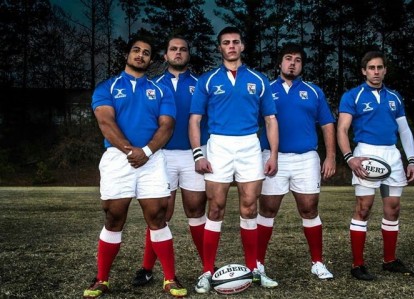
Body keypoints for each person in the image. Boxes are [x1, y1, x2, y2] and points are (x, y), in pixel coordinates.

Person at [83, 35, 187, 298]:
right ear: (128, 55)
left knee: (158, 217)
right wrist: (132, 151)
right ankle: (102, 279)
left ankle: (170, 279)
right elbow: (106, 123)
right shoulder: (106, 87)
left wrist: (148, 151)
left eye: (146, 52)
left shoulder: (160, 90)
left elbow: (167, 125)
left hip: (152, 158)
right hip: (119, 158)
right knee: (114, 217)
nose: (140, 55)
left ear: (152, 59)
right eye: (136, 50)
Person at [189, 26, 279, 294]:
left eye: (235, 42)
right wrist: (198, 153)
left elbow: (270, 120)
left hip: (250, 145)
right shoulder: (207, 80)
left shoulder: (259, 79)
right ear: (220, 48)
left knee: (250, 208)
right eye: (226, 42)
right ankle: (207, 271)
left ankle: (254, 269)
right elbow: (194, 120)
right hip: (218, 145)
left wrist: (272, 153)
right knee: (215, 208)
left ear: (242, 46)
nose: (231, 46)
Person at [132, 35, 209, 287]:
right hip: (162, 156)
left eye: (183, 49)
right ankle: (146, 268)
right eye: (173, 49)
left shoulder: (200, 84)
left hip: (192, 154)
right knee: (160, 213)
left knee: (196, 211)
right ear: (165, 55)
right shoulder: (152, 85)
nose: (178, 53)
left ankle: (207, 268)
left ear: (188, 55)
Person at [257, 43, 336, 280]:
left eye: (298, 60)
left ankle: (317, 263)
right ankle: (258, 263)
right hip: (273, 157)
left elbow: (327, 124)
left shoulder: (314, 91)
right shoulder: (266, 89)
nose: (293, 63)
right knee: (268, 209)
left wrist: (330, 156)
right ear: (280, 62)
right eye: (288, 58)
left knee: (309, 208)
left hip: (306, 158)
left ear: (302, 65)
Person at [337, 50, 414, 281]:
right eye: (371, 68)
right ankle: (357, 264)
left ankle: (389, 260)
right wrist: (349, 157)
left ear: (385, 70)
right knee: (364, 208)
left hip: (391, 155)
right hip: (366, 154)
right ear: (364, 71)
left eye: (379, 67)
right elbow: (342, 129)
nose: (376, 72)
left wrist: (410, 160)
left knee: (393, 209)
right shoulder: (353, 96)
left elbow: (404, 130)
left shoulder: (395, 97)